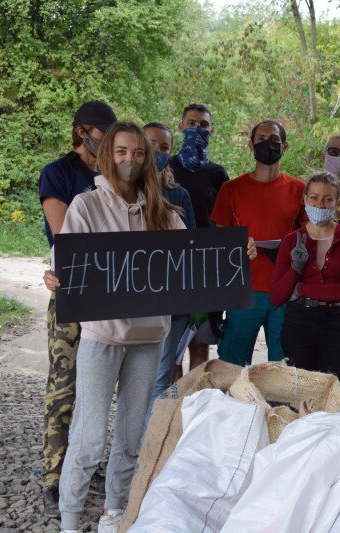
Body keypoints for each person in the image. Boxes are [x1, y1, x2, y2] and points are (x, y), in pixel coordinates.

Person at [44, 122, 186, 533]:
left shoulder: (163, 213)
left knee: (129, 436)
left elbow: (191, 262)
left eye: (138, 153)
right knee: (89, 436)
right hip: (102, 335)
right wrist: (55, 275)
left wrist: (236, 255)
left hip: (149, 338)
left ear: (148, 159)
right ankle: (70, 519)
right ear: (108, 154)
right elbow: (66, 259)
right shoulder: (86, 205)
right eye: (122, 151)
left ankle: (114, 512)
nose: (130, 160)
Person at [37, 99, 116, 518]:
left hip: (111, 295)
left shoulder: (117, 174)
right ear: (82, 131)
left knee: (96, 386)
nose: (108, 140)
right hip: (72, 291)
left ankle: (83, 467)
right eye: (103, 132)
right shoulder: (58, 173)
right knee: (63, 384)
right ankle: (54, 475)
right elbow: (65, 234)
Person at [211, 120, 306, 365]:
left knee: (284, 368)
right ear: (251, 146)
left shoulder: (300, 189)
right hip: (243, 291)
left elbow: (310, 236)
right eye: (261, 139)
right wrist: (238, 246)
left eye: (274, 139)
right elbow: (220, 243)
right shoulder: (231, 189)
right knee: (231, 367)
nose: (267, 144)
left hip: (285, 290)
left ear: (285, 146)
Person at [269, 171, 340, 385]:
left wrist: (301, 289)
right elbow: (277, 297)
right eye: (314, 197)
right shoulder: (291, 240)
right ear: (304, 199)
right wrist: (295, 269)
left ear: (337, 203)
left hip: (338, 323)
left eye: (328, 199)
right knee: (300, 392)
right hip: (299, 322)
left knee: (330, 390)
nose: (320, 205)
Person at [169, 103, 230, 372]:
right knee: (171, 348)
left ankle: (195, 396)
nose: (197, 129)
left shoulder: (218, 174)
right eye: (191, 123)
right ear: (181, 126)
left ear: (212, 130)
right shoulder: (165, 167)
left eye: (203, 125)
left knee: (200, 344)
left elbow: (224, 220)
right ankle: (172, 398)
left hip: (206, 268)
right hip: (171, 265)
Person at [142, 122, 195, 426]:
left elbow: (194, 247)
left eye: (164, 147)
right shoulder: (116, 193)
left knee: (160, 377)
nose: (157, 152)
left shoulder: (179, 195)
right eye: (151, 145)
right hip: (129, 302)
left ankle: (148, 446)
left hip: (171, 303)